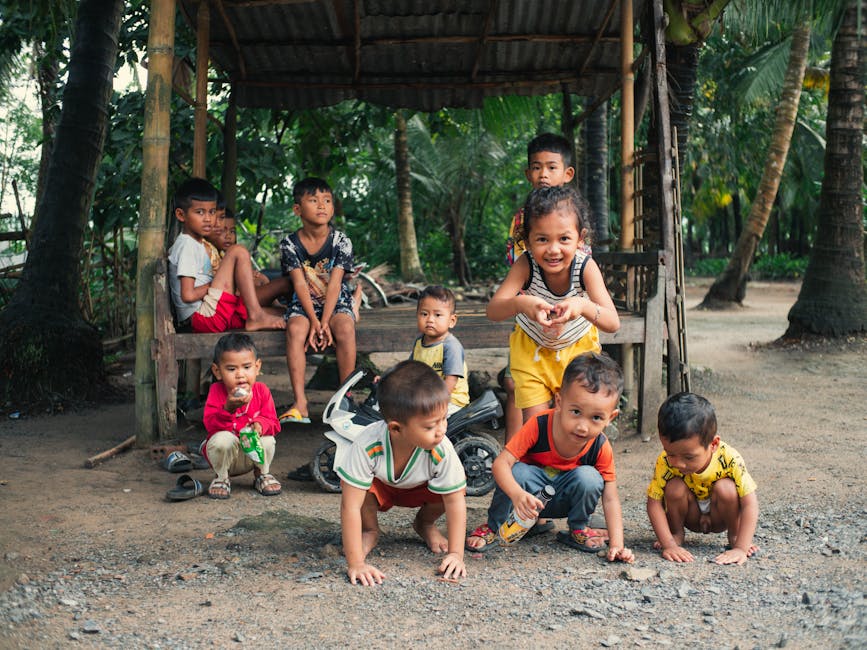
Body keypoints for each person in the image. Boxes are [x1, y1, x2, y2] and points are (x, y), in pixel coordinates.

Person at [465, 352, 633, 562]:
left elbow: (610, 497)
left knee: (590, 477)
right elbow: (500, 464)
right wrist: (517, 495)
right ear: (559, 401)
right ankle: (495, 526)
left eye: (596, 417)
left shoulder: (600, 445)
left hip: (563, 499)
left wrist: (617, 545)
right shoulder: (539, 424)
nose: (583, 426)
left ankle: (578, 529)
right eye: (576, 412)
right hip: (528, 499)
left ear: (611, 417)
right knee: (518, 471)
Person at [487, 185, 619, 423]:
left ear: (580, 238)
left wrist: (582, 305)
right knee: (537, 427)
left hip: (578, 353)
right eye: (542, 239)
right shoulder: (525, 265)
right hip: (532, 352)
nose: (553, 249)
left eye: (564, 238)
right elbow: (494, 310)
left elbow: (612, 322)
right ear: (527, 240)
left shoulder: (585, 267)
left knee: (575, 424)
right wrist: (523, 303)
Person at [336, 360, 467, 585]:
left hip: (421, 491)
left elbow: (456, 502)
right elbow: (350, 506)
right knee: (354, 488)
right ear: (396, 428)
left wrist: (456, 554)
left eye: (443, 419)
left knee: (455, 488)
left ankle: (424, 524)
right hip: (380, 488)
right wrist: (356, 563)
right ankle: (370, 531)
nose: (441, 431)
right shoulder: (368, 444)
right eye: (429, 426)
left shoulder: (441, 448)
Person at [500, 133, 577, 443]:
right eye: (536, 167)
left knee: (567, 391)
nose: (543, 174)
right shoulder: (521, 218)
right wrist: (522, 301)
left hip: (569, 319)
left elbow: (582, 267)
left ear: (567, 174)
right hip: (529, 313)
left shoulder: (574, 214)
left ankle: (557, 450)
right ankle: (513, 449)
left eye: (551, 167)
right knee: (514, 383)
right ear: (527, 173)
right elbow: (515, 261)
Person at [646, 392, 759, 565]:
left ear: (713, 445)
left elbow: (750, 503)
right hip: (689, 515)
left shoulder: (730, 459)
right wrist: (668, 544)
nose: (678, 463)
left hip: (719, 514)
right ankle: (677, 534)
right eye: (671, 454)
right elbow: (653, 503)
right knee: (674, 487)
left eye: (688, 457)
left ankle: (734, 536)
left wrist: (741, 548)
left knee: (726, 488)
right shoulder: (664, 462)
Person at [279, 177, 356, 424]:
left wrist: (324, 322)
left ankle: (345, 398)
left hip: (336, 301)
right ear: (298, 210)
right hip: (304, 303)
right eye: (313, 200)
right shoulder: (290, 244)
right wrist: (314, 321)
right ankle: (300, 402)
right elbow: (299, 283)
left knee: (344, 327)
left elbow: (334, 285)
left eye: (327, 200)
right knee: (295, 328)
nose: (322, 205)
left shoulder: (341, 241)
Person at [167, 177, 286, 333]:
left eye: (211, 212)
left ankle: (256, 315)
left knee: (286, 315)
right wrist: (220, 282)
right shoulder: (186, 244)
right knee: (238, 250)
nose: (208, 219)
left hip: (210, 313)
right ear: (181, 215)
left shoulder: (197, 244)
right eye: (200, 212)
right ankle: (256, 315)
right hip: (202, 317)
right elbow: (188, 295)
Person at [202, 333, 282, 499]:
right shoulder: (216, 392)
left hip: (252, 456)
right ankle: (222, 477)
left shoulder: (261, 391)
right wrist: (228, 409)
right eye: (231, 369)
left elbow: (274, 422)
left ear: (257, 367)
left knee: (268, 440)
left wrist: (260, 424)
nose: (240, 374)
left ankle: (262, 474)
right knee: (221, 439)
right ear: (217, 371)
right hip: (227, 457)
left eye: (247, 367)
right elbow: (210, 426)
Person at [409, 285, 469, 414]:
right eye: (424, 314)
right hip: (426, 397)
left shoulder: (451, 346)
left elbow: (451, 381)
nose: (430, 319)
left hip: (450, 400)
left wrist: (435, 402)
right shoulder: (420, 342)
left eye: (437, 315)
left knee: (418, 421)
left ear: (451, 321)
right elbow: (409, 368)